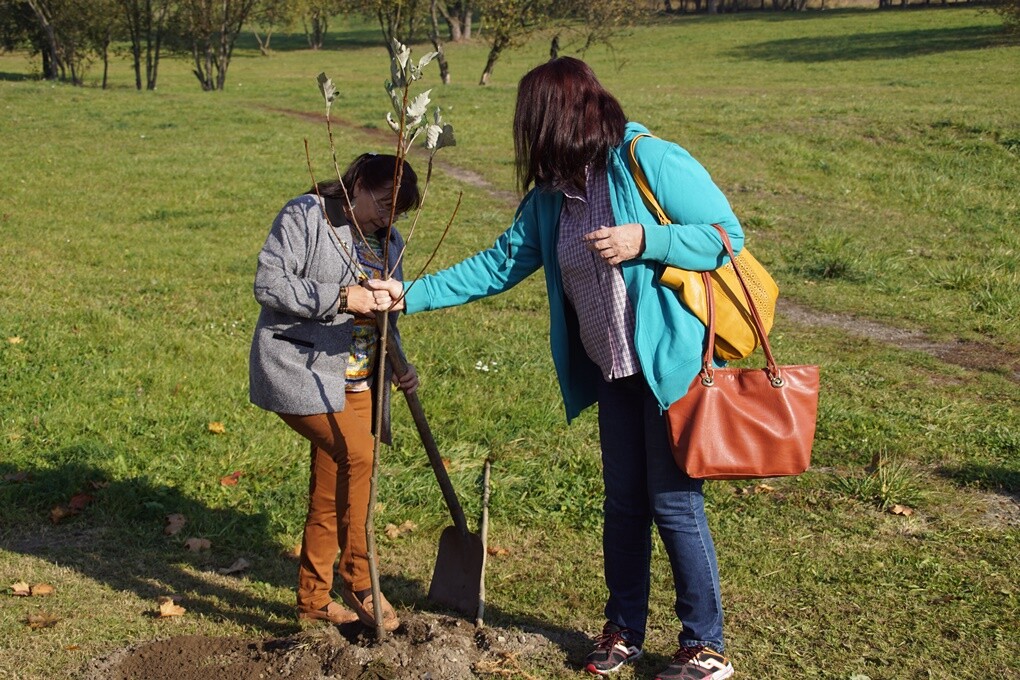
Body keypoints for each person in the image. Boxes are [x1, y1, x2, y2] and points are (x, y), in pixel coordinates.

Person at [369, 58, 739, 679]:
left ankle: (705, 646)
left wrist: (645, 241)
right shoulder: (552, 197)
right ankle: (624, 630)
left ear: (564, 119)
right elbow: (497, 265)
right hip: (612, 371)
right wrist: (407, 293)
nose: (527, 137)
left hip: (671, 369)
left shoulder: (648, 160)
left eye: (532, 123)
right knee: (623, 504)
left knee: (674, 505)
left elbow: (727, 236)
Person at [248, 153, 420, 632]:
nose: (387, 218)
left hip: (361, 381)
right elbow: (269, 283)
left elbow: (387, 316)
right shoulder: (307, 215)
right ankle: (361, 580)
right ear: (358, 182)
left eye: (396, 211)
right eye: (383, 203)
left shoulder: (392, 243)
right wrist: (343, 296)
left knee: (331, 486)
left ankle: (313, 601)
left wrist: (398, 367)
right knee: (359, 457)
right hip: (300, 368)